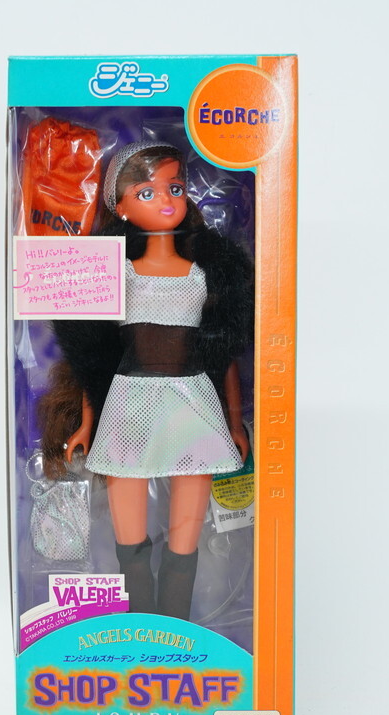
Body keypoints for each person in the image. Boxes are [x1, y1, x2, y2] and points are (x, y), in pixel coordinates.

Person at [40, 141, 253, 620]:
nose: (166, 200)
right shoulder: (118, 273)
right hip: (128, 401)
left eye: (174, 187)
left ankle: (175, 629)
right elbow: (96, 353)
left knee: (185, 539)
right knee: (130, 539)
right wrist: (87, 421)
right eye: (147, 192)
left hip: (192, 400)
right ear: (120, 207)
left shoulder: (204, 274)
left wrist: (233, 422)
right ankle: (140, 626)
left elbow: (222, 355)